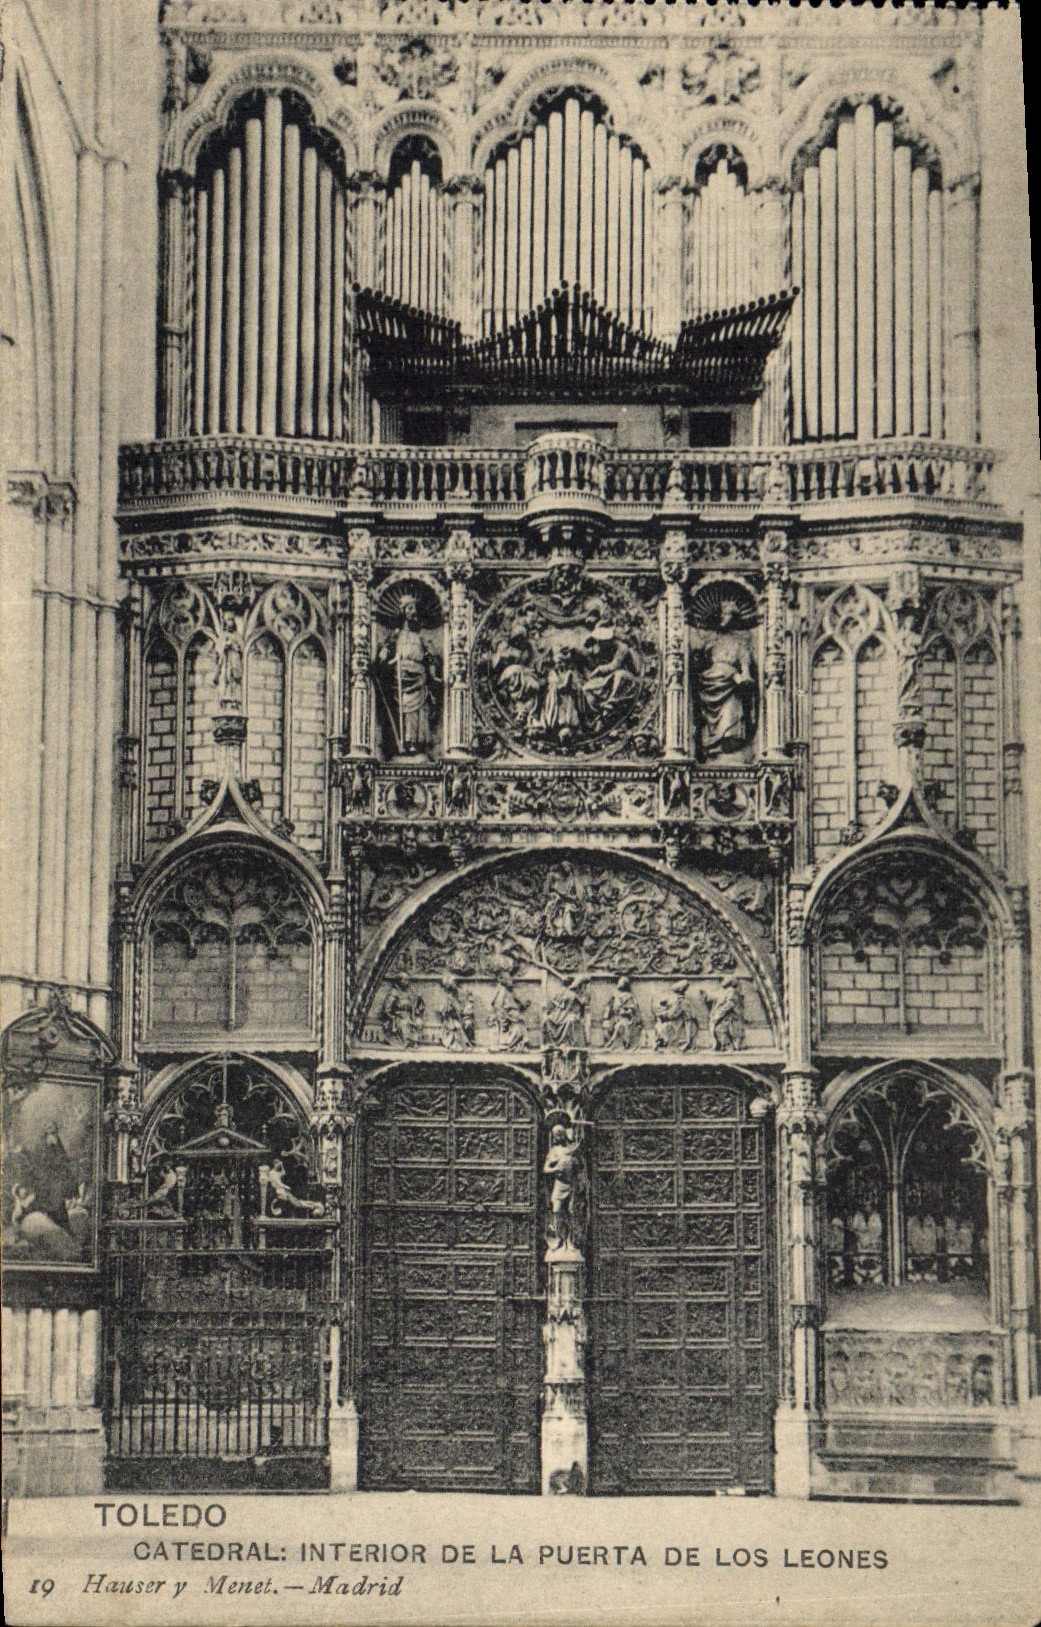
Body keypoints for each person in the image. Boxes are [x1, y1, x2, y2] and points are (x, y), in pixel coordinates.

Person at [690, 598, 758, 758]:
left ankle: (724, 747)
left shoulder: (740, 643)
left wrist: (745, 676)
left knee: (730, 716)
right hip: (713, 681)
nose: (723, 617)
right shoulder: (712, 640)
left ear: (734, 617)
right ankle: (711, 746)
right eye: (722, 614)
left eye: (727, 614)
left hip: (730, 688)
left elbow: (745, 664)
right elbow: (700, 660)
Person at [380, 595, 439, 754]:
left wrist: (433, 674)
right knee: (405, 708)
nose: (413, 612)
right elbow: (386, 649)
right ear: (404, 611)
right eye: (410, 608)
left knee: (417, 709)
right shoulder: (397, 634)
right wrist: (384, 657)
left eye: (415, 608)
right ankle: (404, 741)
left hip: (418, 676)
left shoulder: (422, 635)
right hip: (401, 675)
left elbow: (431, 656)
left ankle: (414, 742)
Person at [543, 1124, 584, 1251]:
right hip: (559, 1185)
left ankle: (571, 1240)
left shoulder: (572, 1149)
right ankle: (560, 1238)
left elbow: (580, 1168)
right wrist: (556, 1168)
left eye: (558, 1134)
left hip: (571, 1185)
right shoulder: (554, 1150)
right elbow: (545, 1169)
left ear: (562, 1134)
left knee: (572, 1212)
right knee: (557, 1211)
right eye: (555, 1135)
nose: (556, 1137)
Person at [653, 981, 697, 1051]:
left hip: (679, 1025)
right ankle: (661, 1042)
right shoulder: (678, 1001)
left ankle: (663, 1042)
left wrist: (662, 1014)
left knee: (662, 1026)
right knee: (659, 1025)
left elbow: (673, 1014)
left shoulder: (681, 1002)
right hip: (676, 1023)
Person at [601, 976, 643, 1049]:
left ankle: (613, 1042)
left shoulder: (630, 996)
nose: (619, 984)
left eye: (622, 982)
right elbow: (609, 1007)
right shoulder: (615, 995)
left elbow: (633, 1009)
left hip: (626, 1019)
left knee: (620, 1025)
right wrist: (606, 1017)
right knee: (607, 1025)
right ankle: (610, 1042)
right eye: (619, 982)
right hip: (614, 1018)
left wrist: (625, 1011)